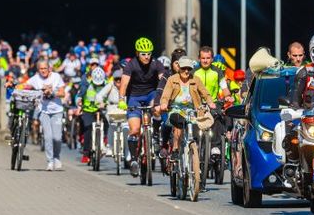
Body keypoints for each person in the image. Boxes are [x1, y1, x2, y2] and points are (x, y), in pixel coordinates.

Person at [118, 37, 166, 176]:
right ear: (137, 53)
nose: (146, 56)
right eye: (143, 54)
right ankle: (133, 160)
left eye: (149, 53)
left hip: (151, 94)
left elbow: (163, 81)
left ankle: (155, 134)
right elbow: (124, 84)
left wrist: (164, 98)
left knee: (156, 108)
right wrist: (122, 99)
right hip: (134, 97)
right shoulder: (130, 65)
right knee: (134, 130)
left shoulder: (157, 64)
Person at [157, 56, 214, 170]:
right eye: (183, 68)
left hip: (192, 110)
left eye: (189, 68)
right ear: (179, 68)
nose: (186, 71)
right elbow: (166, 94)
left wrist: (210, 102)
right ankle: (175, 149)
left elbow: (205, 93)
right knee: (178, 123)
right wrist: (164, 103)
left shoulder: (195, 80)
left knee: (201, 127)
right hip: (175, 109)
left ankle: (196, 152)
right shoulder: (172, 79)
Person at [27, 58, 67, 170]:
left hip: (57, 111)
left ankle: (57, 157)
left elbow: (63, 93)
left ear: (49, 69)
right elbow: (25, 85)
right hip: (44, 111)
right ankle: (50, 161)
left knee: (57, 137)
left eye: (45, 68)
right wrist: (12, 84)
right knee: (48, 137)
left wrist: (52, 92)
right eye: (41, 69)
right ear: (38, 70)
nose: (43, 70)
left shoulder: (56, 77)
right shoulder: (36, 78)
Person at [80, 65, 115, 164]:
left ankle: (104, 141)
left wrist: (106, 104)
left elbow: (111, 97)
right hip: (89, 110)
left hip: (102, 110)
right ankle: (86, 153)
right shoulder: (86, 85)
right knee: (88, 128)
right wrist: (79, 101)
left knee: (108, 124)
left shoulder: (108, 85)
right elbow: (79, 95)